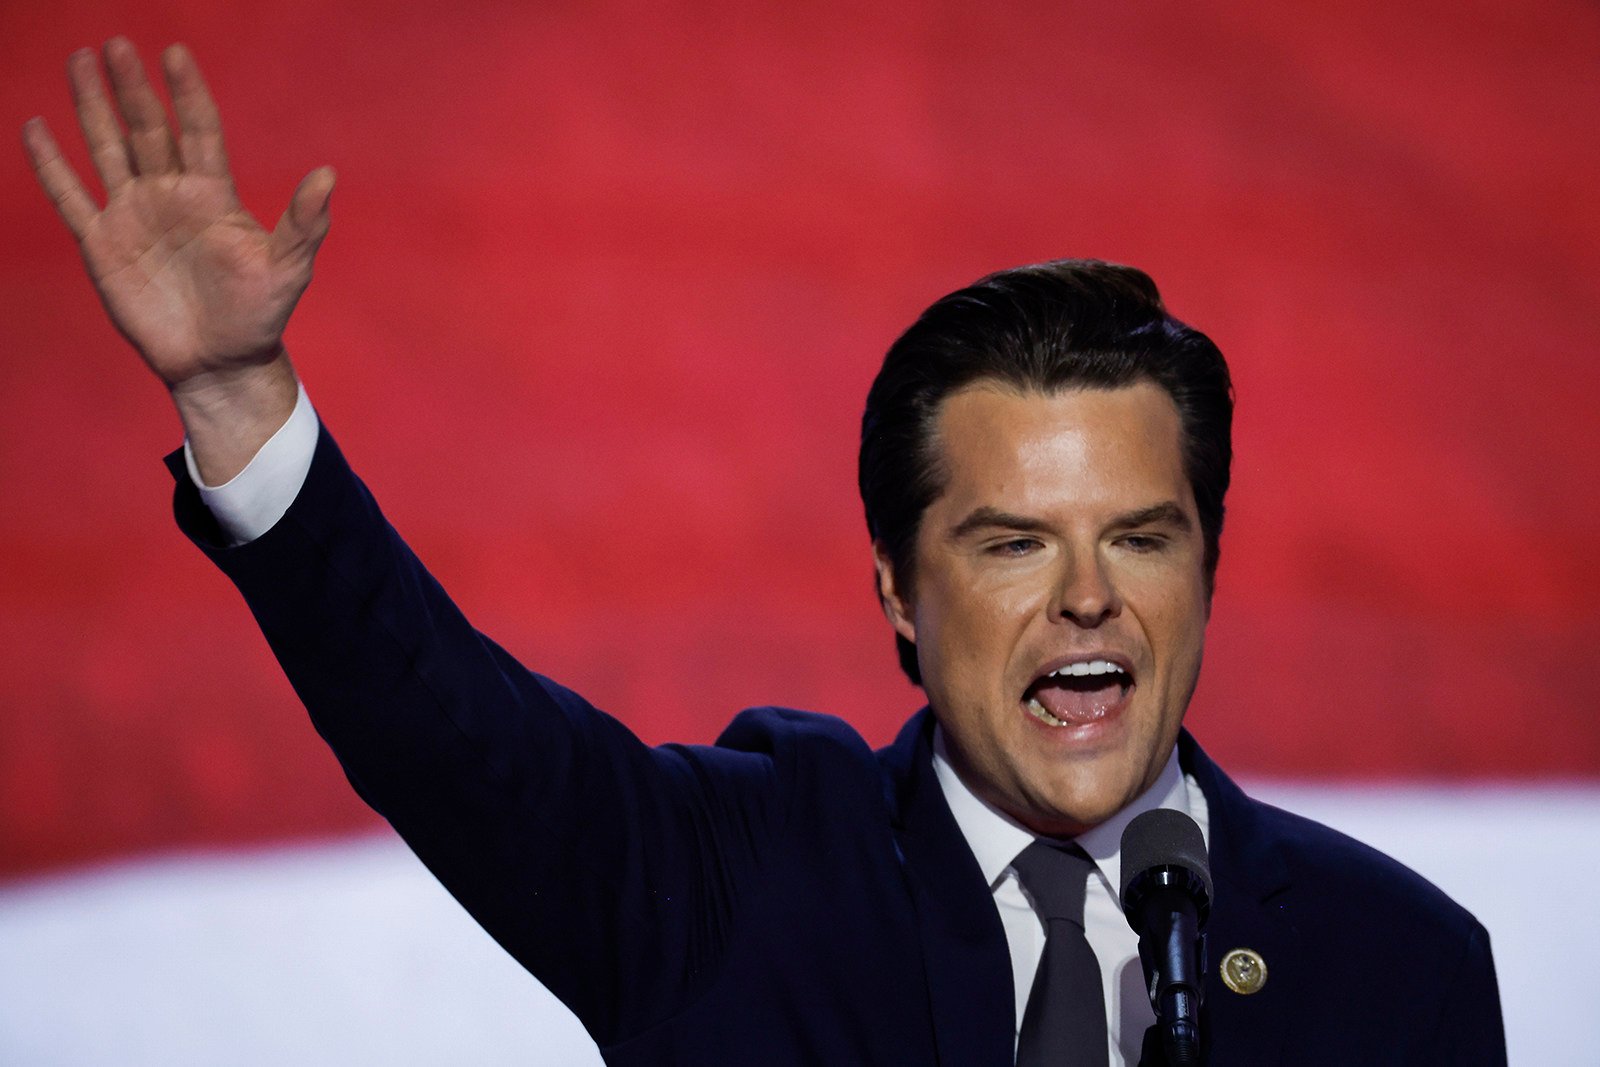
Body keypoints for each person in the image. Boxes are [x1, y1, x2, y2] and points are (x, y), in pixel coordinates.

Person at [26, 38, 1507, 1066]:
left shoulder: (1398, 966)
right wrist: (236, 397)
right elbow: (452, 737)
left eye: (1140, 536)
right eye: (1010, 543)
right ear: (899, 600)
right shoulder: (739, 889)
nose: (1085, 596)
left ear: (1209, 568)